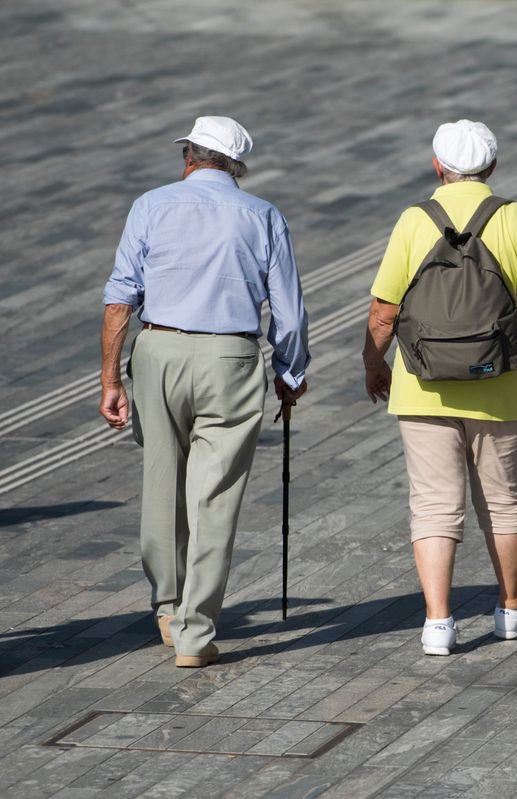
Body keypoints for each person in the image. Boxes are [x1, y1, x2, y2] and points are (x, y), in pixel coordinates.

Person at [99, 116, 310, 668]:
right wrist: (290, 372)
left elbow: (121, 298)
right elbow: (287, 313)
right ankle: (194, 635)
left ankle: (167, 608)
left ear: (188, 156)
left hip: (157, 351)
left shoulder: (150, 205)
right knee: (214, 498)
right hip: (230, 357)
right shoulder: (263, 215)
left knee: (162, 483)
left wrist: (110, 378)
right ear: (236, 166)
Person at [362, 119, 517, 656]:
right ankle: (509, 608)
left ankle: (438, 622)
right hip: (500, 383)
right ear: (493, 167)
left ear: (438, 166)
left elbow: (384, 310)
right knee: (503, 501)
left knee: (433, 505)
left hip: (422, 384)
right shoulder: (514, 216)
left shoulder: (414, 220)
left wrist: (373, 364)